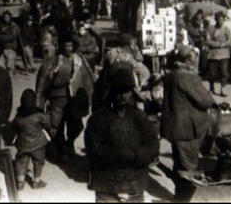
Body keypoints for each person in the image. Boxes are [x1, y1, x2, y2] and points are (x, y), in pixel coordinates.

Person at [85, 67, 159, 203]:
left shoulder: (140, 118)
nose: (122, 96)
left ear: (131, 93)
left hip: (135, 183)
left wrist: (134, 155)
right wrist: (119, 155)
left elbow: (153, 147)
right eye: (118, 92)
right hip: (106, 184)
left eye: (126, 92)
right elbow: (93, 150)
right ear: (111, 93)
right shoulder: (97, 119)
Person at [161, 44, 217, 179]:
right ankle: (184, 195)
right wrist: (210, 98)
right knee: (188, 167)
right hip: (187, 130)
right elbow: (205, 101)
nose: (196, 63)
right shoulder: (188, 76)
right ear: (186, 61)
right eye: (194, 60)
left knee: (179, 162)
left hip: (175, 128)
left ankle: (178, 192)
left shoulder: (170, 75)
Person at [36, 37, 89, 161]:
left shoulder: (78, 59)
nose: (68, 48)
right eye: (66, 45)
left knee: (76, 125)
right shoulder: (54, 61)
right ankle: (60, 150)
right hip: (57, 98)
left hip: (74, 99)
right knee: (56, 126)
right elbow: (46, 80)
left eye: (71, 45)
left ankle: (69, 143)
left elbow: (86, 79)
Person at [12, 89, 50, 190]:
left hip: (23, 144)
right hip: (38, 144)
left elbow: (14, 125)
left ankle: (20, 182)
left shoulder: (18, 116)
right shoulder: (38, 115)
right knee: (39, 161)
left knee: (21, 162)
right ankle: (36, 182)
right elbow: (48, 123)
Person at [205, 11, 231, 97]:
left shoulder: (226, 29)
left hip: (224, 54)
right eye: (219, 20)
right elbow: (207, 40)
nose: (221, 21)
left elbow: (230, 40)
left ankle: (223, 89)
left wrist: (222, 45)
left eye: (222, 20)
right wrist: (216, 44)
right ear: (216, 20)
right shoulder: (211, 29)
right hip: (213, 54)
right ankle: (211, 88)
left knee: (224, 73)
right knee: (211, 73)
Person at [0, 10, 21, 76]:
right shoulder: (1, 26)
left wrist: (2, 38)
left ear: (10, 17)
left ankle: (9, 78)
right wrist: (3, 37)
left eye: (7, 17)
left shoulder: (14, 26)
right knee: (0, 65)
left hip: (11, 48)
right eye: (5, 17)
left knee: (10, 66)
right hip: (2, 48)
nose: (6, 18)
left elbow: (13, 37)